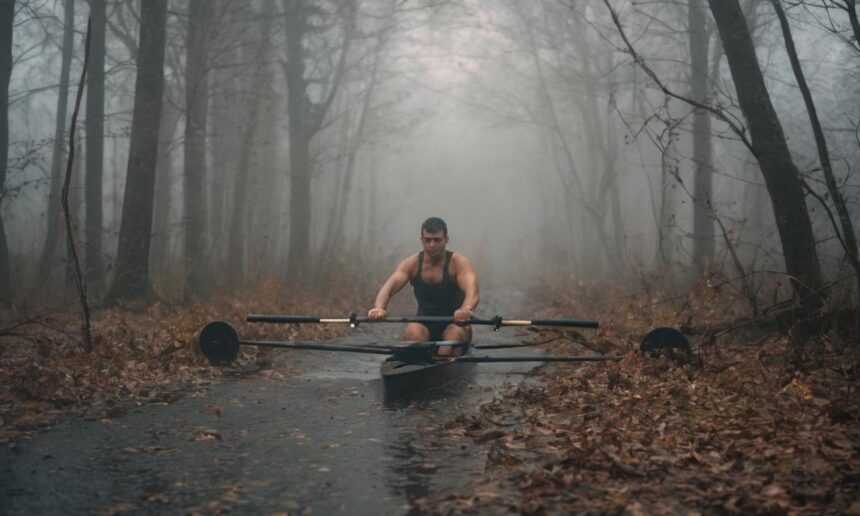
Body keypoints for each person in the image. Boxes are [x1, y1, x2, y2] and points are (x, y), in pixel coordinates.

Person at [368, 217, 479, 355]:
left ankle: (444, 359)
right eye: (428, 240)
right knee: (413, 332)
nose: (432, 245)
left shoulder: (459, 263)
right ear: (422, 240)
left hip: (456, 324)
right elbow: (389, 287)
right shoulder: (412, 264)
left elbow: (472, 292)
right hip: (424, 323)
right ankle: (418, 362)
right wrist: (379, 308)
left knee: (451, 339)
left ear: (446, 240)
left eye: (437, 240)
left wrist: (465, 310)